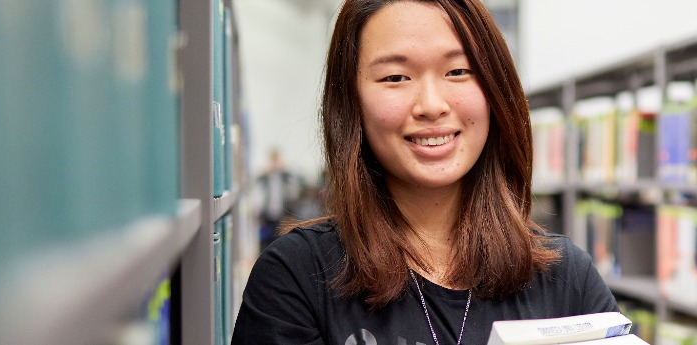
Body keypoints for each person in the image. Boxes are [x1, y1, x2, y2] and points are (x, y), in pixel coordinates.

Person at [231, 0, 618, 344]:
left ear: (495, 90)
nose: (431, 105)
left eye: (458, 71)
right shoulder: (297, 276)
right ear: (352, 105)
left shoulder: (568, 278)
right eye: (395, 77)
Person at [252, 148, 303, 250]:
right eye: (273, 160)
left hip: (282, 214)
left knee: (280, 239)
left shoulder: (285, 175)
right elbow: (254, 182)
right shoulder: (265, 176)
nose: (275, 163)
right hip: (267, 214)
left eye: (277, 160)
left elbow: (298, 181)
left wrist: (285, 169)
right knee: (266, 240)